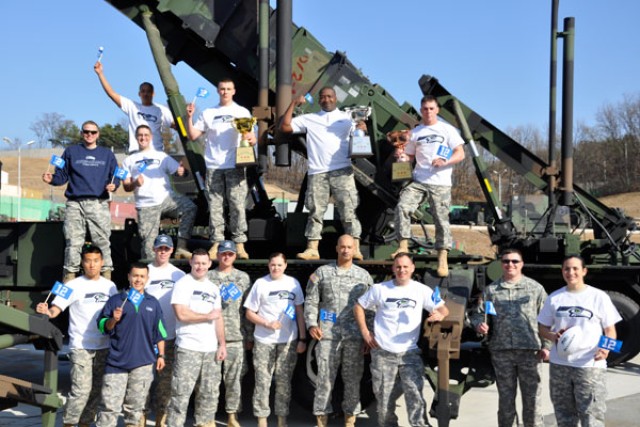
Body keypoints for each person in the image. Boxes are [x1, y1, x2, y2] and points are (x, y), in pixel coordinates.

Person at [354, 253, 449, 427]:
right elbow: (359, 306)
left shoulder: (421, 290)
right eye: (398, 266)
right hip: (383, 353)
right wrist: (365, 332)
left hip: (409, 353)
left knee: (416, 400)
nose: (402, 270)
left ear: (412, 268)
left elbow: (443, 309)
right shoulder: (380, 289)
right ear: (393, 268)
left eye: (405, 266)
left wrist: (439, 315)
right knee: (383, 405)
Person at [35, 245, 117, 427]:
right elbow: (56, 308)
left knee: (96, 391)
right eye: (88, 261)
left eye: (96, 261)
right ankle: (69, 423)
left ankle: (85, 423)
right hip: (81, 346)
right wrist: (47, 311)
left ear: (102, 263)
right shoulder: (72, 285)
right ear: (82, 263)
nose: (92, 265)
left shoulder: (110, 286)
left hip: (104, 345)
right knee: (81, 391)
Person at [280, 87, 365, 261]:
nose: (326, 99)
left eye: (329, 96)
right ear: (319, 100)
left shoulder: (348, 117)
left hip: (342, 170)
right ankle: (312, 249)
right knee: (315, 211)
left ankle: (355, 247)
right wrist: (293, 103)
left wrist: (363, 128)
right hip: (318, 172)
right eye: (323, 97)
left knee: (348, 211)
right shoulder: (309, 119)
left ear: (335, 98)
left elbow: (361, 137)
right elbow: (285, 127)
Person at [537, 255, 621, 427]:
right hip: (560, 365)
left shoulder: (598, 297)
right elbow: (542, 328)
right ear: (562, 272)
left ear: (584, 271)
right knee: (564, 415)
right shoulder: (555, 298)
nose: (571, 272)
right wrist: (553, 336)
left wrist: (605, 350)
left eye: (575, 268)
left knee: (591, 416)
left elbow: (611, 330)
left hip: (589, 366)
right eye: (567, 269)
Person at [469, 248, 550, 427]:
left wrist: (547, 346)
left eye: (514, 261)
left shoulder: (535, 289)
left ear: (521, 264)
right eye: (506, 261)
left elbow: (547, 318)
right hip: (502, 352)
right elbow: (477, 314)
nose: (510, 265)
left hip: (530, 352)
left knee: (533, 400)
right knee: (506, 400)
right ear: (501, 264)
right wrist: (478, 325)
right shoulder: (491, 291)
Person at [304, 234, 374, 427]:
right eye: (342, 247)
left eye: (349, 247)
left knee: (353, 381)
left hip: (354, 338)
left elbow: (371, 308)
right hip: (327, 337)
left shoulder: (363, 276)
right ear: (336, 248)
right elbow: (311, 301)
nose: (345, 250)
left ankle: (350, 421)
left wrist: (369, 334)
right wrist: (311, 323)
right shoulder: (322, 273)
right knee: (324, 381)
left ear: (354, 249)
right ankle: (321, 420)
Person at [392, 95, 465, 277]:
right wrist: (402, 157)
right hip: (419, 180)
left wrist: (445, 161)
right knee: (403, 206)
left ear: (437, 110)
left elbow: (460, 153)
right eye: (425, 109)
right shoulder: (416, 132)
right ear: (421, 110)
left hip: (440, 183)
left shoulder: (447, 130)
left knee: (441, 219)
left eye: (431, 108)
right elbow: (409, 156)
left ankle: (442, 257)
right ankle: (403, 247)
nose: (428, 112)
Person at [185, 78, 256, 260]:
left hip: (235, 165)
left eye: (228, 89)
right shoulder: (209, 113)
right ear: (218, 91)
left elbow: (252, 139)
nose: (225, 91)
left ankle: (239, 244)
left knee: (237, 205)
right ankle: (216, 243)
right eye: (222, 89)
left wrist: (249, 137)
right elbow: (193, 135)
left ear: (234, 91)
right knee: (215, 207)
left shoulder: (241, 112)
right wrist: (189, 117)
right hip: (213, 166)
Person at [42, 120, 119, 282]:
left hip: (98, 203)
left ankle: (106, 282)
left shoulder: (107, 155)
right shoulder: (71, 152)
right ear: (81, 133)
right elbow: (62, 176)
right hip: (75, 204)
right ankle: (69, 283)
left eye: (93, 132)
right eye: (86, 132)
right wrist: (52, 179)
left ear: (98, 134)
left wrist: (114, 185)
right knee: (73, 243)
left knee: (103, 242)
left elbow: (116, 175)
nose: (89, 135)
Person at [95, 262, 167, 427]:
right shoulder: (116, 301)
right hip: (116, 363)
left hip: (143, 363)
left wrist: (161, 355)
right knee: (109, 408)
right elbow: (102, 326)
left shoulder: (153, 303)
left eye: (142, 276)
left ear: (147, 278)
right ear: (128, 277)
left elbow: (160, 332)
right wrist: (114, 319)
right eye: (135, 275)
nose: (138, 280)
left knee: (134, 409)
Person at [244, 253, 307, 427]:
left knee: (283, 382)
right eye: (273, 265)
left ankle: (281, 420)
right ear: (268, 265)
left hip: (288, 341)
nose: (276, 268)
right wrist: (266, 323)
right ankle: (262, 420)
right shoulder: (260, 284)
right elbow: (249, 313)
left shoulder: (293, 284)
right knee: (262, 382)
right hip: (264, 341)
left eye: (279, 265)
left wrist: (302, 338)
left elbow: (300, 312)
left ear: (285, 265)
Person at [166, 248, 226, 427]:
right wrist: (207, 316)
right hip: (188, 348)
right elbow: (181, 315)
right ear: (191, 263)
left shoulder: (213, 288)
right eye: (197, 262)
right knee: (180, 394)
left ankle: (204, 424)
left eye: (203, 263)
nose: (200, 266)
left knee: (209, 394)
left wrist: (222, 344)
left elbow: (219, 317)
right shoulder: (183, 284)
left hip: (210, 350)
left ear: (209, 264)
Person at [122, 124, 196, 260]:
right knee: (149, 247)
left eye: (146, 135)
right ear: (136, 137)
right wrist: (135, 183)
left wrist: (182, 171)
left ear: (150, 137)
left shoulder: (162, 156)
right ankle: (149, 271)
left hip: (166, 199)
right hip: (146, 205)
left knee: (190, 207)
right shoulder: (128, 161)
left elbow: (181, 172)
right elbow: (126, 186)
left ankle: (181, 247)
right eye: (140, 135)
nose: (143, 138)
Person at [207, 240, 254, 427]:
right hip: (210, 337)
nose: (226, 257)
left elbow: (247, 310)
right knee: (210, 379)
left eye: (230, 254)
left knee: (234, 380)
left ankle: (232, 415)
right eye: (223, 253)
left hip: (236, 336)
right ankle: (209, 415)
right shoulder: (208, 277)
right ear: (217, 255)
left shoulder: (243, 278)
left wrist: (249, 336)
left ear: (235, 256)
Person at [143, 234, 186, 427]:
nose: (163, 251)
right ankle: (140, 419)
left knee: (165, 385)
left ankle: (161, 420)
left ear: (171, 250)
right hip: (145, 338)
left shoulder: (179, 275)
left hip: (169, 337)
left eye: (166, 248)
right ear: (153, 249)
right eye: (159, 248)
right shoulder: (145, 272)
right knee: (142, 382)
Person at [94, 61, 174, 152]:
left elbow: (177, 126)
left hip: (156, 153)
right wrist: (100, 74)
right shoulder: (132, 106)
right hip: (136, 153)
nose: (146, 93)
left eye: (149, 91)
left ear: (153, 94)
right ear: (139, 94)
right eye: (143, 91)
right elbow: (111, 94)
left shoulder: (161, 110)